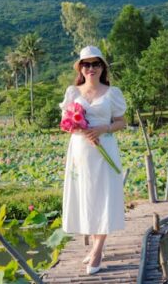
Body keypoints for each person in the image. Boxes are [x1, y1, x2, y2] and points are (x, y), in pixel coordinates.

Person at [58, 45, 127, 275]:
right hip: (81, 152)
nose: (91, 68)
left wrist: (102, 128)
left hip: (104, 148)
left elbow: (121, 121)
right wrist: (80, 129)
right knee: (87, 197)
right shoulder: (73, 93)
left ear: (102, 67)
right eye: (86, 64)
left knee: (103, 196)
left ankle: (97, 250)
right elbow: (66, 125)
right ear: (80, 68)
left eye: (95, 64)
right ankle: (95, 245)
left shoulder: (112, 93)